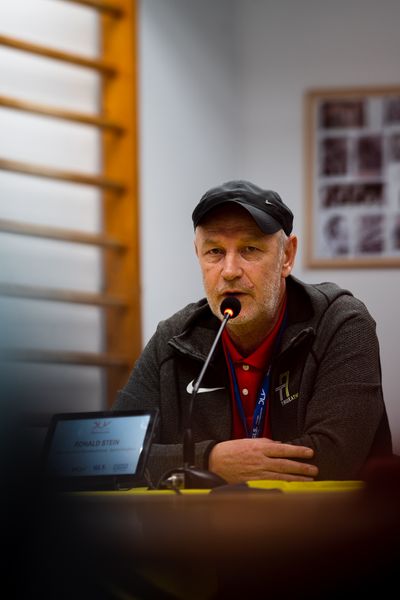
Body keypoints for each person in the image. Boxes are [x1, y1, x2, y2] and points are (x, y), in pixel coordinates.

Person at [113, 180, 392, 487]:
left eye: (249, 249)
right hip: (205, 533)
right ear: (198, 255)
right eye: (215, 251)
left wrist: (196, 470)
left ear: (286, 256)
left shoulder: (341, 324)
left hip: (326, 530)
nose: (230, 270)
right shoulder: (174, 339)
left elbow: (334, 458)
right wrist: (209, 461)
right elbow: (113, 455)